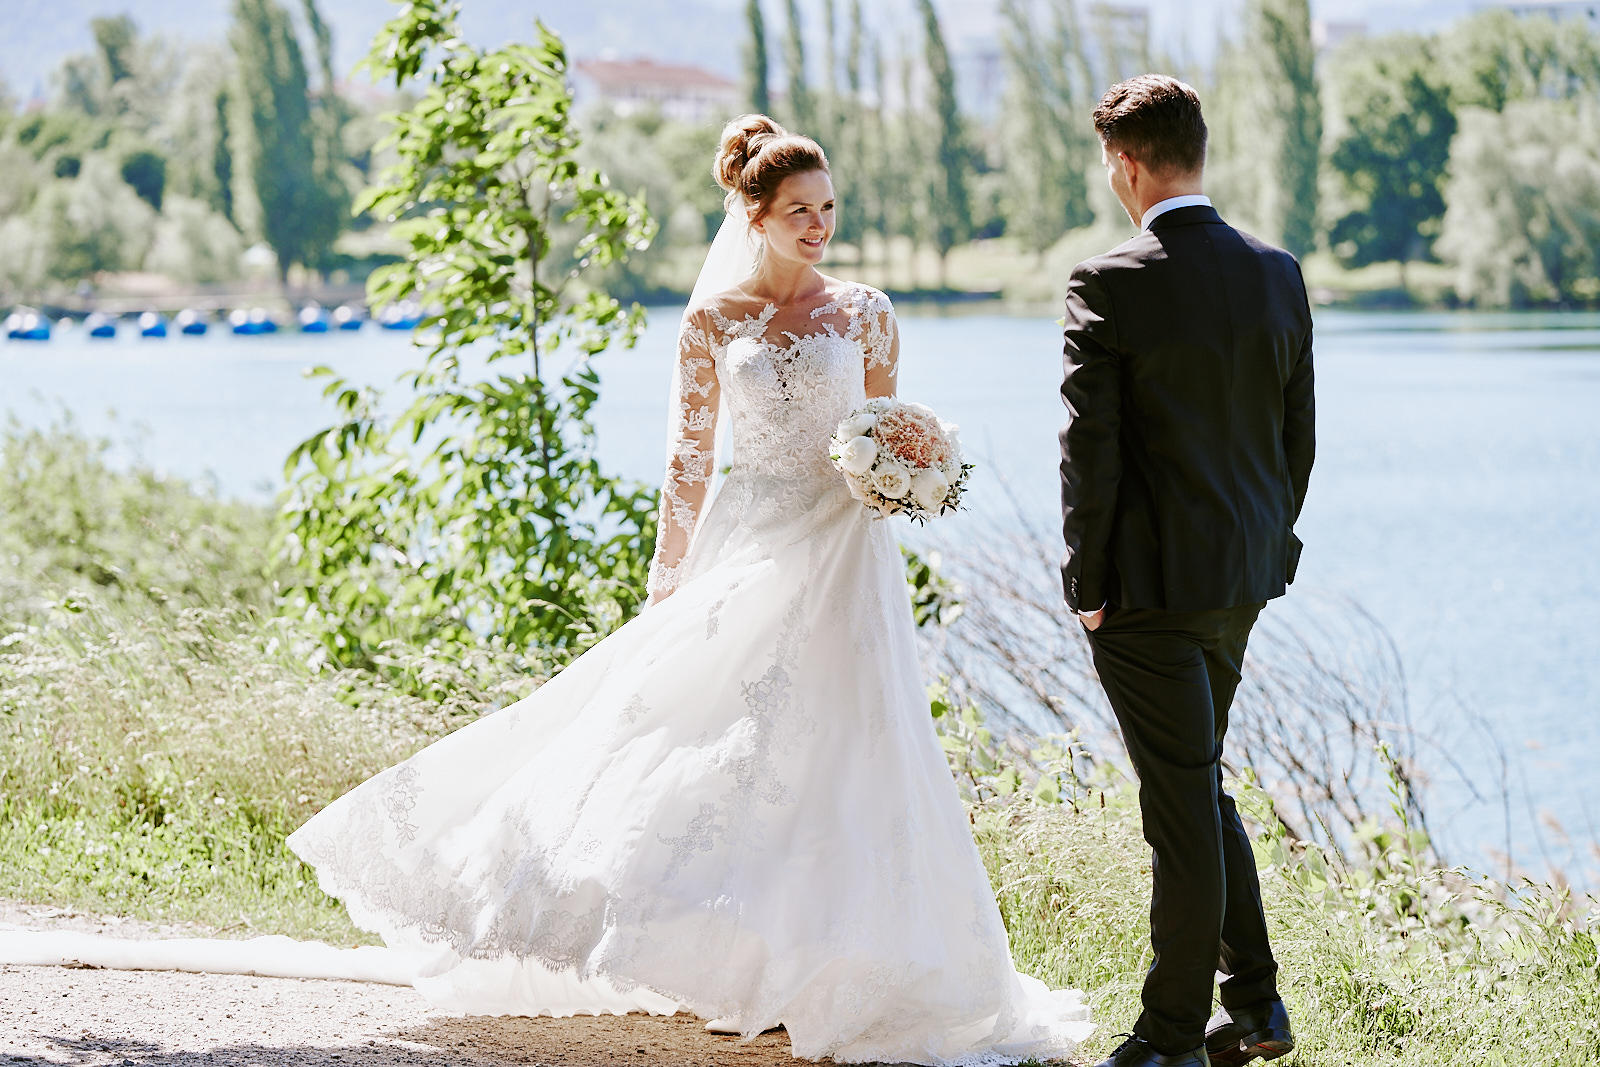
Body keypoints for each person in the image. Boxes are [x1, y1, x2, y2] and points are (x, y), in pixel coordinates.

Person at [287, 114, 1094, 1064]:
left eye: (828, 208)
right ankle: (716, 955)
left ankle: (833, 968)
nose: (819, 226)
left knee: (850, 746)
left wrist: (906, 478)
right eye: (799, 211)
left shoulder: (867, 311)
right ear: (754, 215)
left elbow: (884, 423)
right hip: (752, 537)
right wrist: (667, 582)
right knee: (718, 741)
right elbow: (688, 459)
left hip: (847, 550)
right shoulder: (714, 319)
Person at [1059, 76, 1315, 1067]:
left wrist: (1086, 585)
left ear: (1125, 165)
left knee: (1179, 808)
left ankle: (1168, 1037)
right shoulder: (1277, 271)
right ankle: (1254, 1008)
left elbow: (1089, 453)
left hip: (1144, 592)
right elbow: (1296, 438)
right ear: (1196, 150)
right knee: (1195, 785)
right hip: (1241, 579)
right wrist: (1264, 544)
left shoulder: (1107, 280)